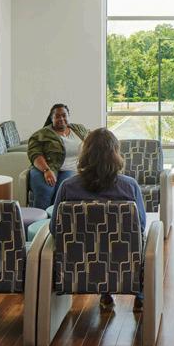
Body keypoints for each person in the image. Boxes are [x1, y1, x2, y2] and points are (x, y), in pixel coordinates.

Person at [51, 127, 147, 311]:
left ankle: (105, 293)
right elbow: (140, 225)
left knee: (96, 241)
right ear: (115, 154)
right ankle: (140, 295)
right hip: (121, 258)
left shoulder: (68, 187)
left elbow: (55, 228)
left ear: (85, 154)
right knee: (127, 241)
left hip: (79, 261)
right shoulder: (129, 186)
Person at [27, 104, 89, 210]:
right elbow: (35, 154)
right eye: (57, 116)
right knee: (45, 189)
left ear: (68, 116)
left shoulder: (79, 129)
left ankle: (55, 218)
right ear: (52, 118)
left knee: (62, 190)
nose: (61, 119)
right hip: (45, 167)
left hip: (71, 169)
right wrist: (46, 170)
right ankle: (40, 218)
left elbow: (91, 141)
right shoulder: (41, 134)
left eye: (64, 115)